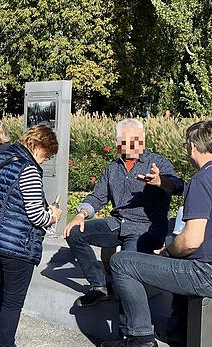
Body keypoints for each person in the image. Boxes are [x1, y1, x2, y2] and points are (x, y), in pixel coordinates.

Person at [100, 121, 212, 347]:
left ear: (192, 147)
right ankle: (180, 332)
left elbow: (191, 241)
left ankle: (139, 337)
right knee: (186, 261)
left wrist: (169, 251)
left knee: (123, 262)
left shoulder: (203, 180)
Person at [64, 118, 184, 308]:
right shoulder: (113, 169)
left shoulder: (158, 162)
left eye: (137, 138)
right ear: (117, 143)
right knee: (75, 231)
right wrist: (80, 214)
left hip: (145, 228)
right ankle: (99, 286)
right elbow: (97, 197)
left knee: (125, 264)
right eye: (128, 140)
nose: (134, 143)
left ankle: (131, 330)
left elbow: (178, 186)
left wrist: (161, 182)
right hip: (117, 223)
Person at [0, 125, 62, 347]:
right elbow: (37, 215)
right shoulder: (29, 170)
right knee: (13, 303)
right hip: (16, 245)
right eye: (46, 154)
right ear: (38, 146)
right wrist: (53, 215)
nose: (45, 160)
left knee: (4, 296)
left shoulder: (2, 157)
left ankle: (5, 342)